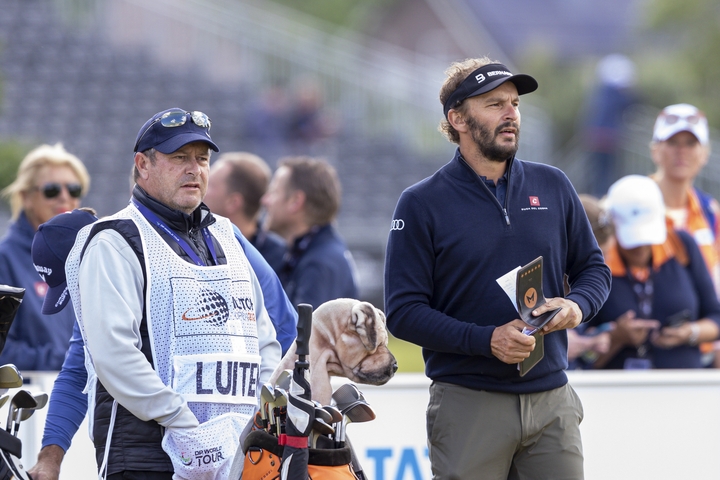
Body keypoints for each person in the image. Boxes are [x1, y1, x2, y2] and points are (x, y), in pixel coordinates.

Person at [384, 57, 611, 479]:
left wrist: (577, 307)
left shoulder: (554, 185)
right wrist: (486, 340)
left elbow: (594, 269)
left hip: (551, 401)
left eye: (515, 104)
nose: (511, 114)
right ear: (458, 119)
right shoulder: (420, 203)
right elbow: (404, 313)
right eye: (494, 104)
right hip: (469, 402)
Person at [60, 108, 281, 479]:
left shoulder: (226, 235)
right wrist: (182, 421)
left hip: (237, 451)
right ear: (142, 164)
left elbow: (264, 339)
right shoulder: (115, 241)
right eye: (179, 158)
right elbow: (114, 355)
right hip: (147, 453)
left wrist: (260, 419)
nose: (194, 169)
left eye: (202, 159)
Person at [588, 175, 720, 370]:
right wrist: (616, 338)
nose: (641, 246)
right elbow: (578, 349)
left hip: (684, 384)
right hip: (615, 390)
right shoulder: (600, 260)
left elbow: (715, 316)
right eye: (632, 238)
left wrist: (690, 332)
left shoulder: (681, 245)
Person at [0, 143, 90, 371]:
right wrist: (69, 360)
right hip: (29, 399)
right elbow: (4, 350)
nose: (64, 198)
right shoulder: (5, 259)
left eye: (73, 189)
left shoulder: (87, 258)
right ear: (26, 197)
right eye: (51, 190)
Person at [261, 156, 358, 309]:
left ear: (296, 201)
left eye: (274, 192)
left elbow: (308, 332)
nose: (265, 201)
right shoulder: (312, 252)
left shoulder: (320, 264)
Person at [203, 151, 286, 274]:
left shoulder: (281, 260)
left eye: (210, 185)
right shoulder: (195, 245)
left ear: (233, 202)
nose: (199, 188)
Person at [581, 53, 640, 196]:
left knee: (598, 174)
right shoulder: (616, 94)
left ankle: (597, 197)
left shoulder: (600, 92)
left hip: (595, 137)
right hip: (607, 138)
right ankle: (603, 198)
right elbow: (632, 102)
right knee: (605, 174)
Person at [567, 195, 615, 369]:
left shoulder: (597, 286)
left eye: (608, 255)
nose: (603, 266)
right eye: (597, 256)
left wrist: (593, 342)